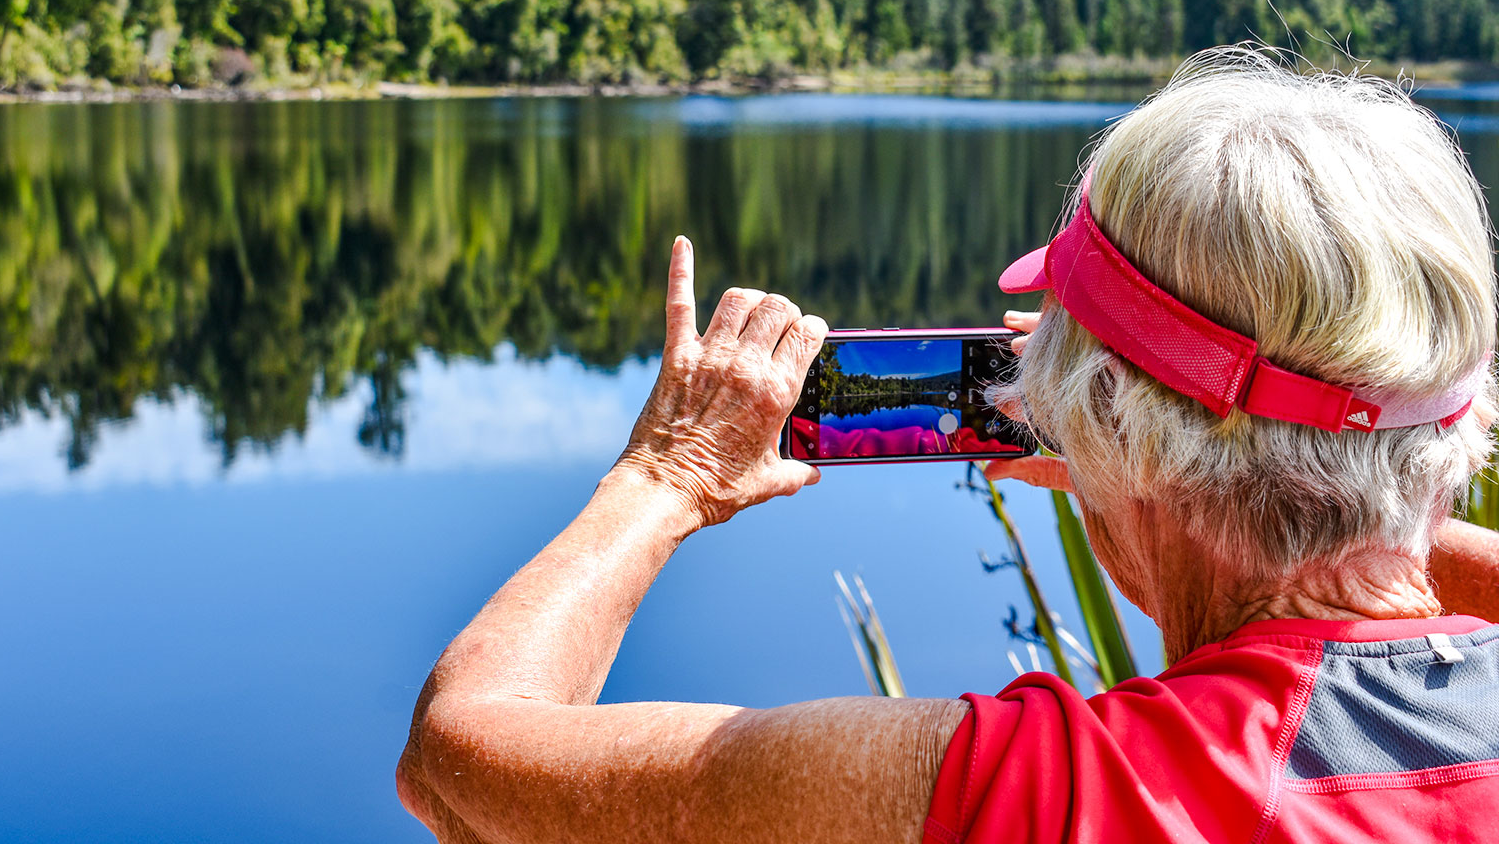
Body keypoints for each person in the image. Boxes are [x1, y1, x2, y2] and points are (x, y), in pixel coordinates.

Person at [396, 49, 1499, 843]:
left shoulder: (1055, 794)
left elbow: (461, 759)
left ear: (1106, 417)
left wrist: (667, 473)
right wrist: (1260, 476)